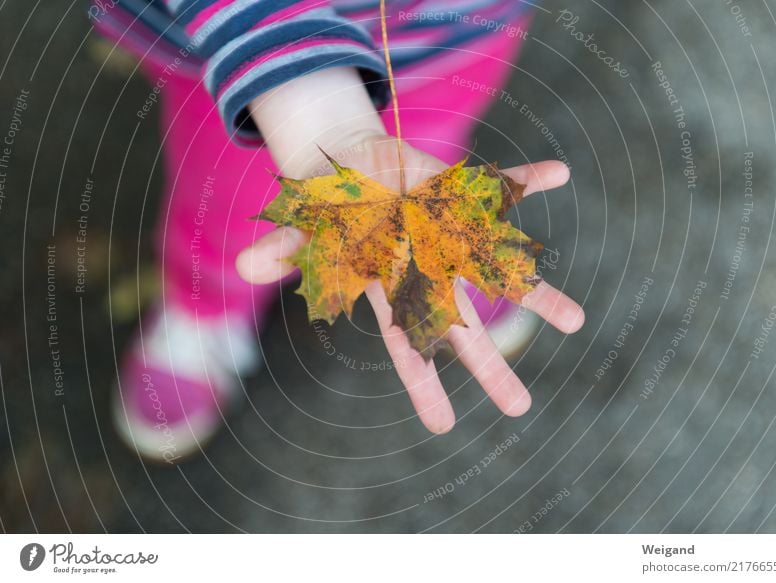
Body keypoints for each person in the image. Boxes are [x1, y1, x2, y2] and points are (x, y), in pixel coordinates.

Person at [90, 0, 585, 462]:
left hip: (452, 34)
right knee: (225, 206)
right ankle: (204, 306)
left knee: (424, 147)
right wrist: (323, 121)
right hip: (242, 52)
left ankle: (440, 249)